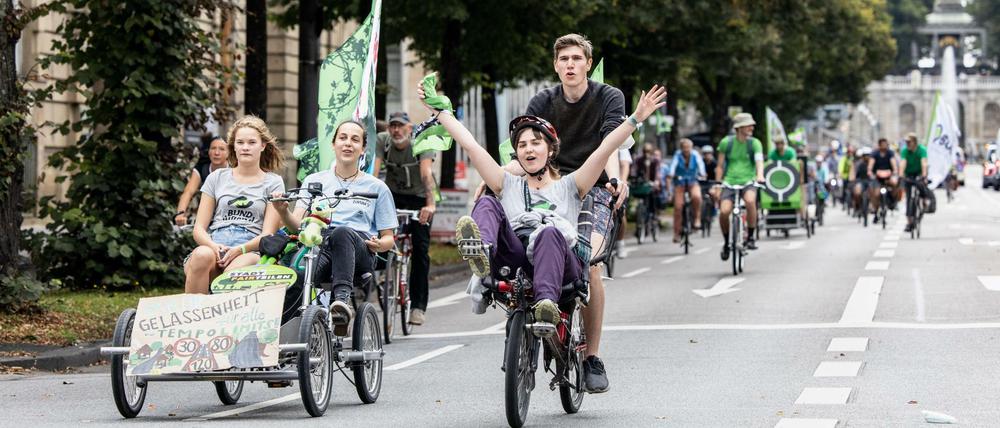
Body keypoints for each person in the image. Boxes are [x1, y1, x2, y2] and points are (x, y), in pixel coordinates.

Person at [431, 82, 664, 338]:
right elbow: (471, 146)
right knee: (487, 202)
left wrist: (635, 119)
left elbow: (605, 149)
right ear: (517, 154)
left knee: (549, 232)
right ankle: (482, 249)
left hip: (559, 263)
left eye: (535, 143)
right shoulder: (507, 183)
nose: (528, 149)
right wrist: (441, 112)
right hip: (516, 257)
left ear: (551, 150)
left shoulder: (571, 185)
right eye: (522, 145)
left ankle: (546, 304)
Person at [493, 33, 631, 393]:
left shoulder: (608, 96)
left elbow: (610, 143)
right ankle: (525, 312)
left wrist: (614, 180)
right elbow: (527, 150)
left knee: (591, 263)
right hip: (550, 183)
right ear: (556, 65)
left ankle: (592, 357)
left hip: (592, 185)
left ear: (588, 63)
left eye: (576, 58)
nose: (570, 64)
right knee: (523, 242)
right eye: (564, 59)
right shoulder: (542, 100)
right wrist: (496, 178)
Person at [271, 120, 398, 331]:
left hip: (359, 248)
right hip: (320, 243)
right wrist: (283, 211)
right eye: (343, 138)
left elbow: (388, 238)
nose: (348, 143)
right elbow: (297, 227)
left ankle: (341, 303)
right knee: (299, 274)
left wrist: (379, 244)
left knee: (342, 232)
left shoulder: (377, 187)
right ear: (333, 144)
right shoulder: (314, 181)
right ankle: (280, 332)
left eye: (355, 140)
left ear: (363, 148)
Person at [184, 116, 285, 294]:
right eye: (240, 142)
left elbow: (268, 234)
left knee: (232, 274)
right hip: (215, 244)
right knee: (200, 255)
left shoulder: (273, 182)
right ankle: (194, 310)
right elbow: (199, 229)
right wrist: (213, 247)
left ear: (262, 146)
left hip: (250, 250)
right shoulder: (217, 178)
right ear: (234, 146)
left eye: (252, 142)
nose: (245, 147)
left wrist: (240, 249)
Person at [372, 111, 437, 326]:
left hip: (420, 197)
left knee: (420, 250)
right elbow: (374, 173)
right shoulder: (383, 141)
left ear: (410, 128)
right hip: (393, 195)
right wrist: (370, 200)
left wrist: (430, 204)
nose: (396, 130)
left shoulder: (422, 141)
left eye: (401, 126)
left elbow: (426, 174)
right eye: (393, 126)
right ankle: (383, 273)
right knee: (382, 235)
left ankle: (418, 307)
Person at [717, 112, 765, 258]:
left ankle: (750, 236)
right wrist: (718, 184)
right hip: (729, 182)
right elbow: (719, 166)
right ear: (739, 128)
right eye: (748, 125)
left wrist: (760, 175)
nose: (752, 127)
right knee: (724, 212)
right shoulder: (726, 142)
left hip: (748, 181)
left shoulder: (754, 143)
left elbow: (759, 162)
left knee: (750, 201)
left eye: (752, 125)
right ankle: (726, 242)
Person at [175, 136, 229, 226]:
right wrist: (180, 214)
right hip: (208, 216)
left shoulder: (236, 168)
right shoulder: (202, 168)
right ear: (208, 151)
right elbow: (188, 191)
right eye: (213, 148)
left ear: (229, 153)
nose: (216, 153)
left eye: (222, 149)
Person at [666, 138, 706, 242]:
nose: (686, 150)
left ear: (691, 148)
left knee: (697, 197)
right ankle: (676, 233)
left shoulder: (695, 155)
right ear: (681, 148)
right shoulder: (677, 155)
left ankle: (697, 219)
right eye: (684, 148)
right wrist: (671, 174)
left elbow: (701, 166)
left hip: (693, 181)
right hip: (680, 183)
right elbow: (673, 166)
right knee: (678, 207)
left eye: (688, 148)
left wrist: (702, 174)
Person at [899, 132, 936, 232]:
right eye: (906, 142)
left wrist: (924, 176)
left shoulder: (921, 150)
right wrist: (901, 175)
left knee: (922, 188)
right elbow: (903, 163)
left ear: (915, 142)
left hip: (919, 174)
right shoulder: (905, 151)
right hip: (909, 174)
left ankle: (924, 201)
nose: (907, 144)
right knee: (909, 198)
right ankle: (909, 222)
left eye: (909, 142)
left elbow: (924, 163)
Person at [867, 138, 899, 222]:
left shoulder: (890, 153)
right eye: (882, 144)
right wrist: (870, 171)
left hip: (888, 177)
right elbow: (871, 164)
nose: (884, 146)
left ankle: (893, 201)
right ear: (879, 145)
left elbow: (893, 163)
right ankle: (875, 210)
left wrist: (895, 171)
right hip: (877, 178)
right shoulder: (875, 153)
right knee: (876, 194)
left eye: (885, 144)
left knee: (895, 184)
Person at [849, 147, 873, 219]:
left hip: (870, 181)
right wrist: (852, 179)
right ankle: (858, 206)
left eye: (868, 155)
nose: (867, 157)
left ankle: (873, 206)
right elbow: (853, 173)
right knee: (857, 192)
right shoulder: (857, 163)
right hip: (860, 181)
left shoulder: (873, 163)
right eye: (865, 155)